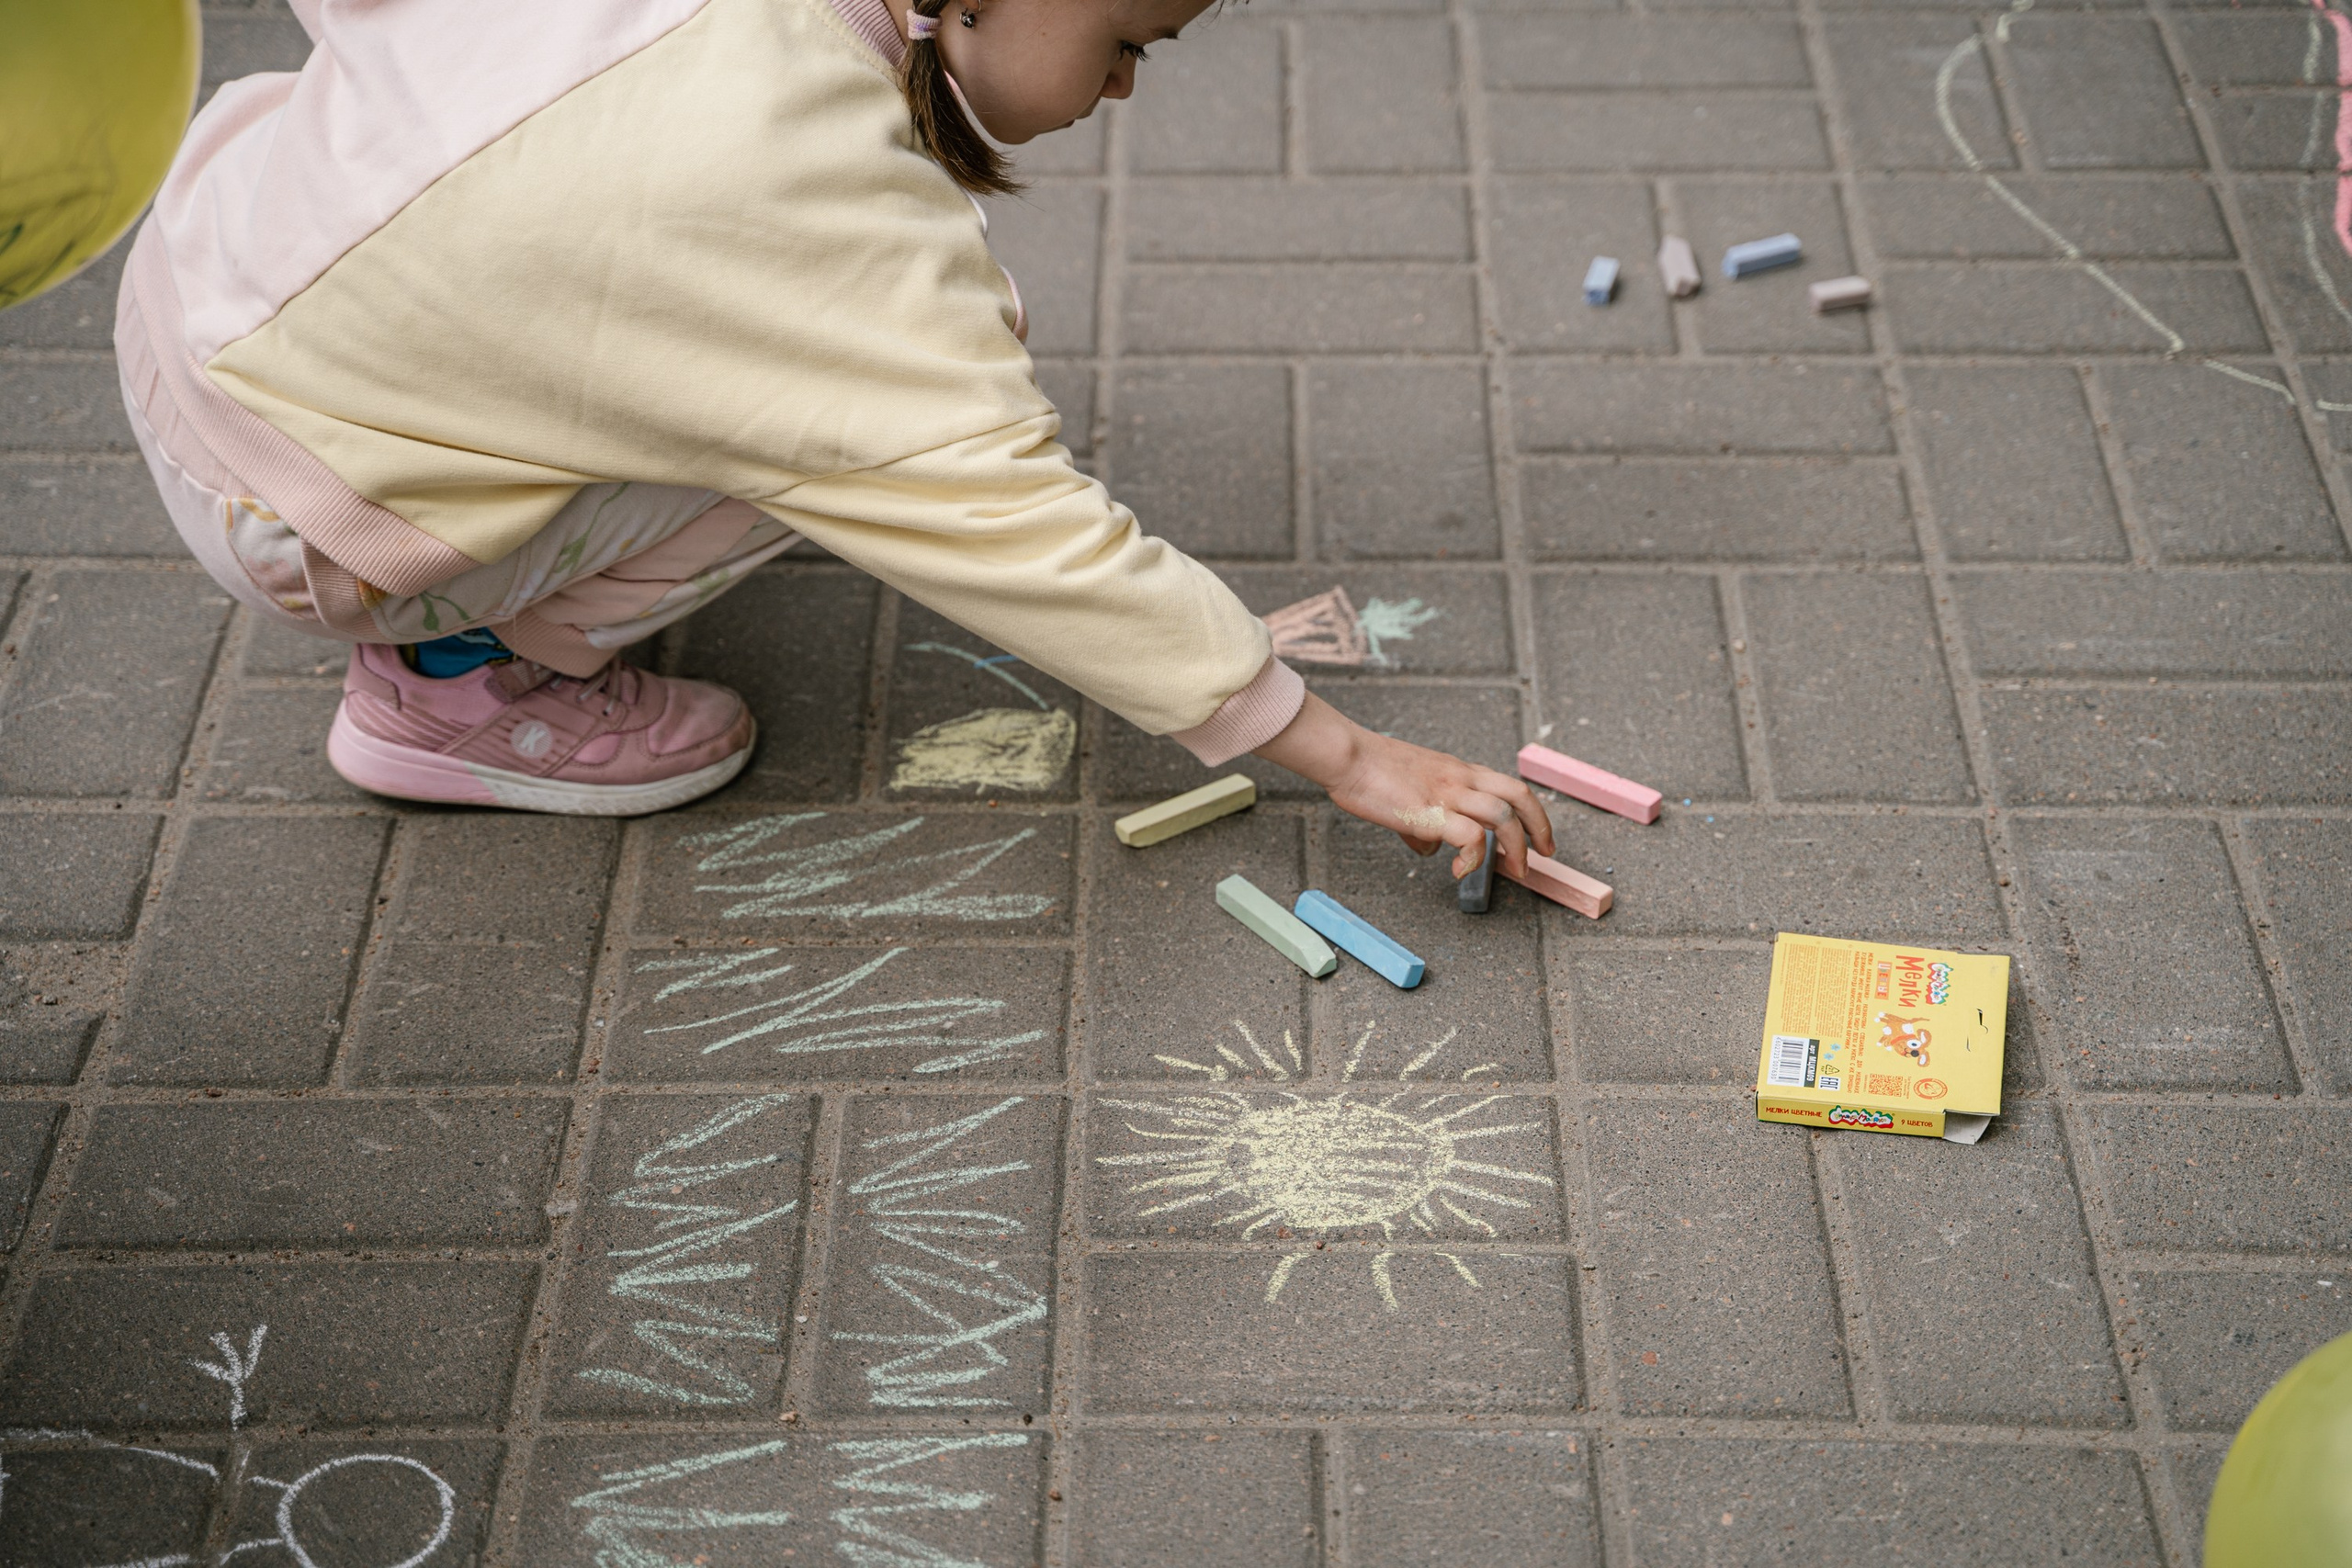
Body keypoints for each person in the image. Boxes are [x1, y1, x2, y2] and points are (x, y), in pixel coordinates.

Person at [117, 0, 1551, 878]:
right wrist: (1345, 756)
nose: (1122, 87)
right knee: (859, 408)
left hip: (201, 269)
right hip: (292, 501)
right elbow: (1012, 526)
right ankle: (449, 692)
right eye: (1125, 44)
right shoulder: (809, 220)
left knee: (826, 365)